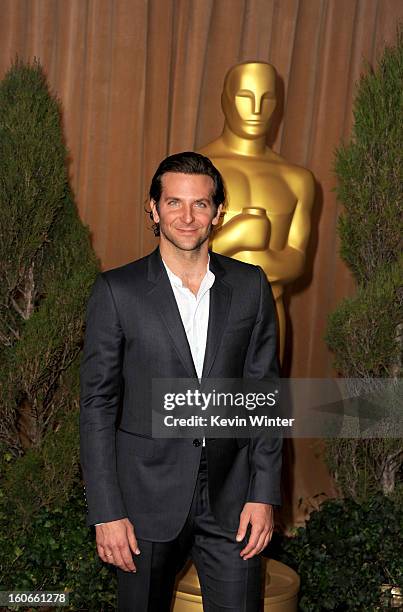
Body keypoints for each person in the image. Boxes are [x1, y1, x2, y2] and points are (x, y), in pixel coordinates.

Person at [79, 151, 282, 611]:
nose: (187, 217)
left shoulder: (250, 286)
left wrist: (263, 494)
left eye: (200, 204)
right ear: (153, 209)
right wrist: (107, 511)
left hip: (233, 501)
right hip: (143, 501)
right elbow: (97, 407)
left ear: (217, 212)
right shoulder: (117, 291)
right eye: (174, 203)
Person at [199, 62, 314, 363]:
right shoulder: (194, 169)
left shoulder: (296, 179)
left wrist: (260, 262)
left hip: (269, 313)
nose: (257, 109)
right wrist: (235, 236)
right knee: (198, 406)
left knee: (261, 405)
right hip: (201, 310)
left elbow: (297, 260)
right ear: (225, 100)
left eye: (267, 98)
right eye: (245, 97)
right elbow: (173, 255)